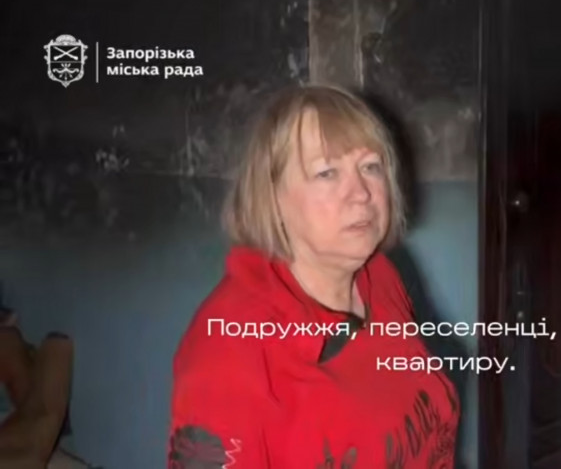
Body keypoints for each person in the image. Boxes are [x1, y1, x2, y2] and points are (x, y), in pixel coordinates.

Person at [167, 85, 459, 468]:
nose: (361, 193)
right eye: (327, 172)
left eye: (371, 167)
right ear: (272, 197)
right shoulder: (227, 352)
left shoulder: (379, 276)